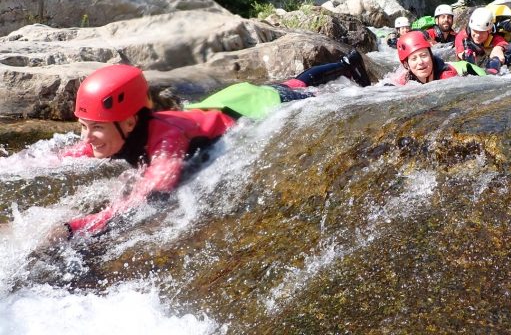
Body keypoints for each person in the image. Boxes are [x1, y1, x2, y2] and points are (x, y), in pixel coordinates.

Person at [50, 52, 371, 239]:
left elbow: (148, 193)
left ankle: (347, 66)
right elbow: (76, 152)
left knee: (303, 91)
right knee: (292, 82)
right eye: (84, 127)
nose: (86, 138)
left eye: (95, 128)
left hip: (254, 106)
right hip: (224, 102)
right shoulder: (123, 129)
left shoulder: (167, 140)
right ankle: (345, 62)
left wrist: (72, 227)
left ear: (129, 122)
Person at [390, 31, 485, 85]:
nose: (420, 62)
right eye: (414, 59)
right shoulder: (406, 78)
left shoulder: (447, 76)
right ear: (406, 65)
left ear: (431, 56)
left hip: (467, 69)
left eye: (424, 55)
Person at [455, 7, 511, 74]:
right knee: (467, 55)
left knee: (498, 57)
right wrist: (464, 54)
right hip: (475, 51)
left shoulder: (494, 36)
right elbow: (459, 47)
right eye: (475, 31)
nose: (477, 35)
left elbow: (502, 43)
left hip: (491, 54)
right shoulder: (463, 35)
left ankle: (492, 72)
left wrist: (498, 49)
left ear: (489, 31)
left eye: (482, 32)